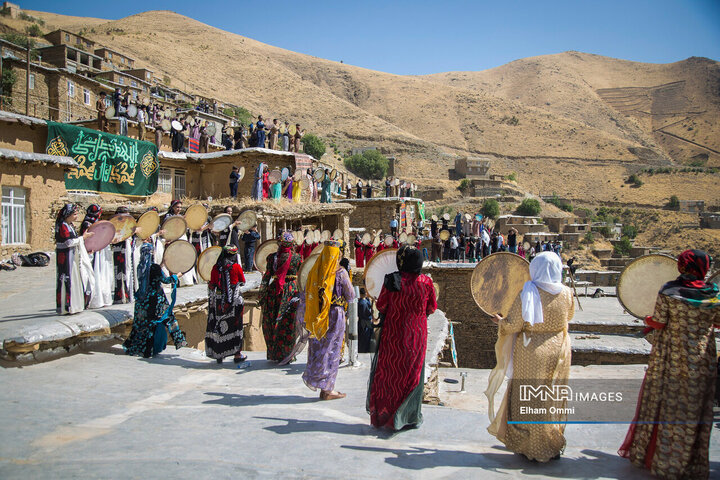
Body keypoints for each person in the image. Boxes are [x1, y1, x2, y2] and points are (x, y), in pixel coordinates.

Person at [619, 250, 719, 479]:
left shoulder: (669, 291)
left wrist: (646, 320)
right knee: (695, 406)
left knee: (666, 403)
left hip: (671, 355)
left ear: (683, 266)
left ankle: (661, 459)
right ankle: (690, 462)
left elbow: (660, 322)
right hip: (702, 358)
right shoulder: (713, 293)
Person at [486, 252, 573, 462]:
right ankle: (550, 443)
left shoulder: (529, 291)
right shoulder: (567, 293)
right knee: (550, 396)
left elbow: (514, 324)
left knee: (529, 397)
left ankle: (530, 445)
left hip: (531, 350)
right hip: (559, 349)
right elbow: (568, 317)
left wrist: (500, 321)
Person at [367, 245, 437, 429]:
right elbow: (431, 308)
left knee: (390, 372)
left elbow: (381, 306)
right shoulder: (426, 282)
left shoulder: (392, 280)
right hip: (416, 334)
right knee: (412, 373)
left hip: (393, 333)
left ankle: (387, 415)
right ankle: (408, 417)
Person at [302, 240, 355, 399]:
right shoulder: (340, 273)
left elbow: (307, 293)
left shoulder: (315, 271)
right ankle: (328, 389)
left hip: (318, 316)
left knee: (319, 349)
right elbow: (351, 295)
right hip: (335, 316)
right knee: (332, 350)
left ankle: (319, 382)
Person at [123, 244, 187, 357]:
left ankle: (139, 348)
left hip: (142, 302)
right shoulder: (155, 268)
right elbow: (165, 280)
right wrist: (177, 276)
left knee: (141, 325)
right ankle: (179, 341)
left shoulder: (140, 267)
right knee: (169, 318)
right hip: (156, 300)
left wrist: (162, 263)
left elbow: (152, 273)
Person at [259, 232, 302, 362]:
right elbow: (301, 276)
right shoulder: (297, 258)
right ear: (293, 244)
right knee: (289, 323)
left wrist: (262, 295)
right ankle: (288, 354)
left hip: (274, 292)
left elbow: (266, 277)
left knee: (272, 321)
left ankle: (274, 354)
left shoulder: (272, 258)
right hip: (291, 291)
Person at [206, 245, 247, 364]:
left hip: (219, 302)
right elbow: (242, 281)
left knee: (219, 325)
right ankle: (237, 355)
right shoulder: (236, 267)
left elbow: (212, 284)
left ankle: (219, 354)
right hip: (233, 301)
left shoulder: (216, 268)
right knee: (236, 326)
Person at [55, 204, 93, 315]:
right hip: (66, 257)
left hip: (72, 256)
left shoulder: (69, 225)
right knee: (66, 279)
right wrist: (83, 238)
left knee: (74, 279)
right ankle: (66, 307)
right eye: (75, 214)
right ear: (68, 215)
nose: (76, 216)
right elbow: (68, 242)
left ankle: (74, 305)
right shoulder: (63, 226)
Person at [80, 204, 113, 309]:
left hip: (99, 253)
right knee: (92, 275)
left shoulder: (95, 223)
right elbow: (84, 238)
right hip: (91, 253)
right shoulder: (87, 224)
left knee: (101, 275)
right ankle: (93, 300)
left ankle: (101, 299)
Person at [111, 206, 135, 304]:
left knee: (127, 271)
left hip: (127, 250)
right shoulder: (115, 225)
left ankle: (128, 294)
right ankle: (120, 296)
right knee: (120, 273)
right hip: (119, 251)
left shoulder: (128, 225)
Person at [357, 287, 374, 353]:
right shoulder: (362, 303)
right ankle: (364, 350)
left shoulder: (362, 301)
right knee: (365, 337)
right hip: (365, 321)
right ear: (365, 293)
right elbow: (366, 313)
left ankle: (364, 349)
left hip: (363, 321)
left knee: (364, 337)